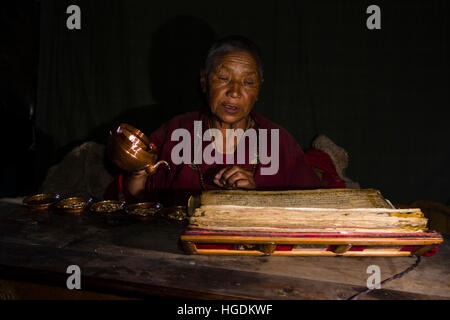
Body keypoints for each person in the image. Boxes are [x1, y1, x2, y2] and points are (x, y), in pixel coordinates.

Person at [105, 36, 344, 206]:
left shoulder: (278, 140)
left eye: (248, 82)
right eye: (223, 78)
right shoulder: (177, 130)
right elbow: (133, 201)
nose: (235, 92)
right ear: (204, 81)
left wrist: (257, 197)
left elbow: (312, 207)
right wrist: (137, 174)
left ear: (259, 89)